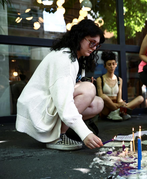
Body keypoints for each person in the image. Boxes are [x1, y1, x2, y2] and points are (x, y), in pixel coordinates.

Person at [16, 19, 105, 151]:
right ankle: (57, 137)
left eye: (97, 45)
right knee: (89, 89)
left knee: (98, 102)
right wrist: (85, 133)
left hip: (45, 106)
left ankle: (59, 131)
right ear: (79, 37)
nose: (94, 48)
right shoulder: (65, 58)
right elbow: (64, 102)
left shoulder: (73, 57)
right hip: (38, 112)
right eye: (91, 42)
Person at [96, 50, 144, 120]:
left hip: (117, 104)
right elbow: (101, 96)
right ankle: (120, 112)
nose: (112, 66)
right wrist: (118, 105)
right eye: (109, 64)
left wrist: (122, 104)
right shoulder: (100, 79)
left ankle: (118, 112)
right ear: (105, 66)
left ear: (116, 64)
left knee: (140, 98)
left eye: (113, 64)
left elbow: (119, 99)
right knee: (104, 97)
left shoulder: (119, 80)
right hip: (105, 108)